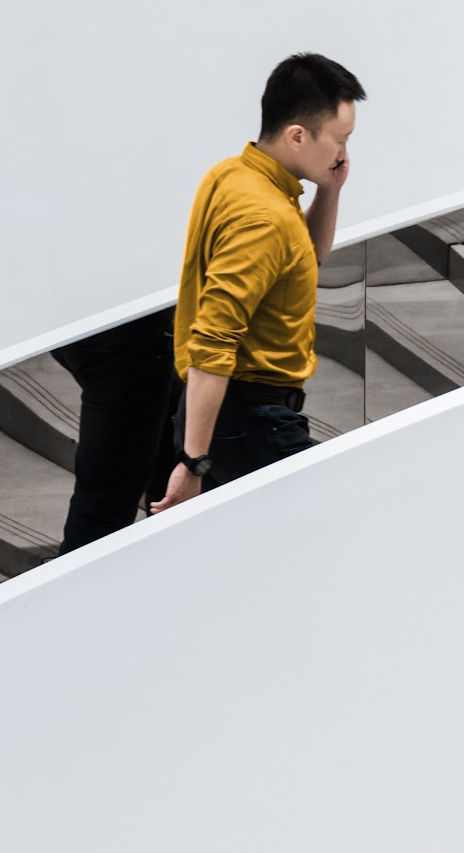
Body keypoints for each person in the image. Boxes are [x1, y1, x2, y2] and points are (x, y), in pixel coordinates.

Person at [149, 53, 362, 513]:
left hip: (232, 413)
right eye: (340, 140)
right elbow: (213, 339)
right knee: (333, 521)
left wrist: (330, 190)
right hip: (247, 417)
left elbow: (305, 255)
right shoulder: (265, 217)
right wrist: (193, 462)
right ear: (298, 136)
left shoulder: (231, 176)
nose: (343, 153)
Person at [52, 307, 176, 552]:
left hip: (83, 318)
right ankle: (82, 581)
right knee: (106, 500)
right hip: (124, 336)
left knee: (166, 443)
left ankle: (165, 558)